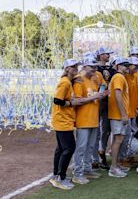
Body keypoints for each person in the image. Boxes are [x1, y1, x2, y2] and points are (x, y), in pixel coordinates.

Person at [72, 57, 108, 185]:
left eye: (96, 67)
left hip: (93, 119)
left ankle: (87, 169)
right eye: (92, 67)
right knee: (81, 147)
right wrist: (95, 96)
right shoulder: (79, 81)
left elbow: (96, 95)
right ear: (85, 67)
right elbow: (77, 101)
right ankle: (77, 173)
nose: (95, 69)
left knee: (90, 146)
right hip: (83, 120)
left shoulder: (93, 80)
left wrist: (101, 94)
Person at [49, 59, 84, 190]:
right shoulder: (64, 83)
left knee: (61, 149)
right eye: (73, 66)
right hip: (62, 120)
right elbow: (57, 100)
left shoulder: (67, 81)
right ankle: (60, 177)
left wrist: (73, 80)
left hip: (63, 120)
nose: (76, 68)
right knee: (69, 148)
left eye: (76, 66)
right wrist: (70, 104)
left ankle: (56, 175)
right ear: (67, 69)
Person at [107, 57, 133, 178]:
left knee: (119, 139)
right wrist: (123, 114)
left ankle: (116, 164)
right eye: (124, 65)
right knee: (118, 139)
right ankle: (113, 167)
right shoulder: (118, 77)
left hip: (118, 114)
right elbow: (117, 95)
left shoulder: (121, 77)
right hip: (117, 114)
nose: (127, 67)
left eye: (127, 65)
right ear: (118, 66)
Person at [95, 47, 116, 170]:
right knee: (95, 130)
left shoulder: (110, 69)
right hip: (96, 102)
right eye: (106, 53)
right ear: (100, 55)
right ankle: (93, 158)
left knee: (106, 129)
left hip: (108, 102)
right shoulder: (95, 68)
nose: (108, 55)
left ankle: (101, 153)